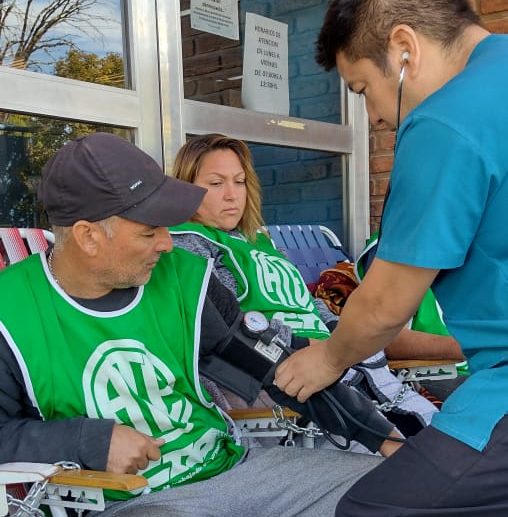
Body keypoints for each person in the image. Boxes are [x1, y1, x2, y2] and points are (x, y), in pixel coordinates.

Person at [0, 132, 401, 517]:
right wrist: (86, 439)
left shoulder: (184, 280)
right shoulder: (11, 312)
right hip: (138, 504)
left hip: (240, 471)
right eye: (149, 230)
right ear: (88, 236)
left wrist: (383, 438)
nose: (167, 243)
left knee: (400, 490)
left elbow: (280, 366)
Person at [274, 1, 508, 514]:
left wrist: (329, 358)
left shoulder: (447, 119)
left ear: (404, 49)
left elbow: (384, 305)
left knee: (373, 506)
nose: (374, 116)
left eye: (361, 90)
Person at [169, 133, 439, 438]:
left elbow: (307, 304)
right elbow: (230, 328)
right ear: (186, 188)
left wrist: (343, 334)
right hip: (289, 375)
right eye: (216, 184)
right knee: (410, 449)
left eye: (240, 181)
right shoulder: (189, 244)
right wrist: (333, 350)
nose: (232, 195)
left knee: (435, 438)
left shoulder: (261, 241)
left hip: (336, 362)